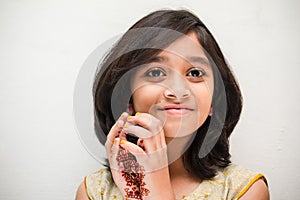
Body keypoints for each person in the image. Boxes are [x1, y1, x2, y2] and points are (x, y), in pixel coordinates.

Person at [76, 9, 269, 200]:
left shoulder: (245, 190)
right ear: (127, 98)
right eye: (155, 73)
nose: (177, 90)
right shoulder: (94, 192)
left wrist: (157, 190)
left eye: (194, 73)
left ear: (215, 100)